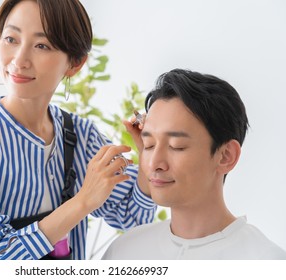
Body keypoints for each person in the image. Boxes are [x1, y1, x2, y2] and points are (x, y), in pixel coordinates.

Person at [0, 0, 156, 260]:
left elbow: (133, 217)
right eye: (11, 39)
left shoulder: (81, 136)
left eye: (41, 45)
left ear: (74, 64)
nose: (19, 60)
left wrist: (148, 155)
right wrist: (82, 202)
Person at [102, 68, 286, 260]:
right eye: (149, 145)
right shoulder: (124, 252)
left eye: (176, 146)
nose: (155, 163)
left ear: (225, 156)